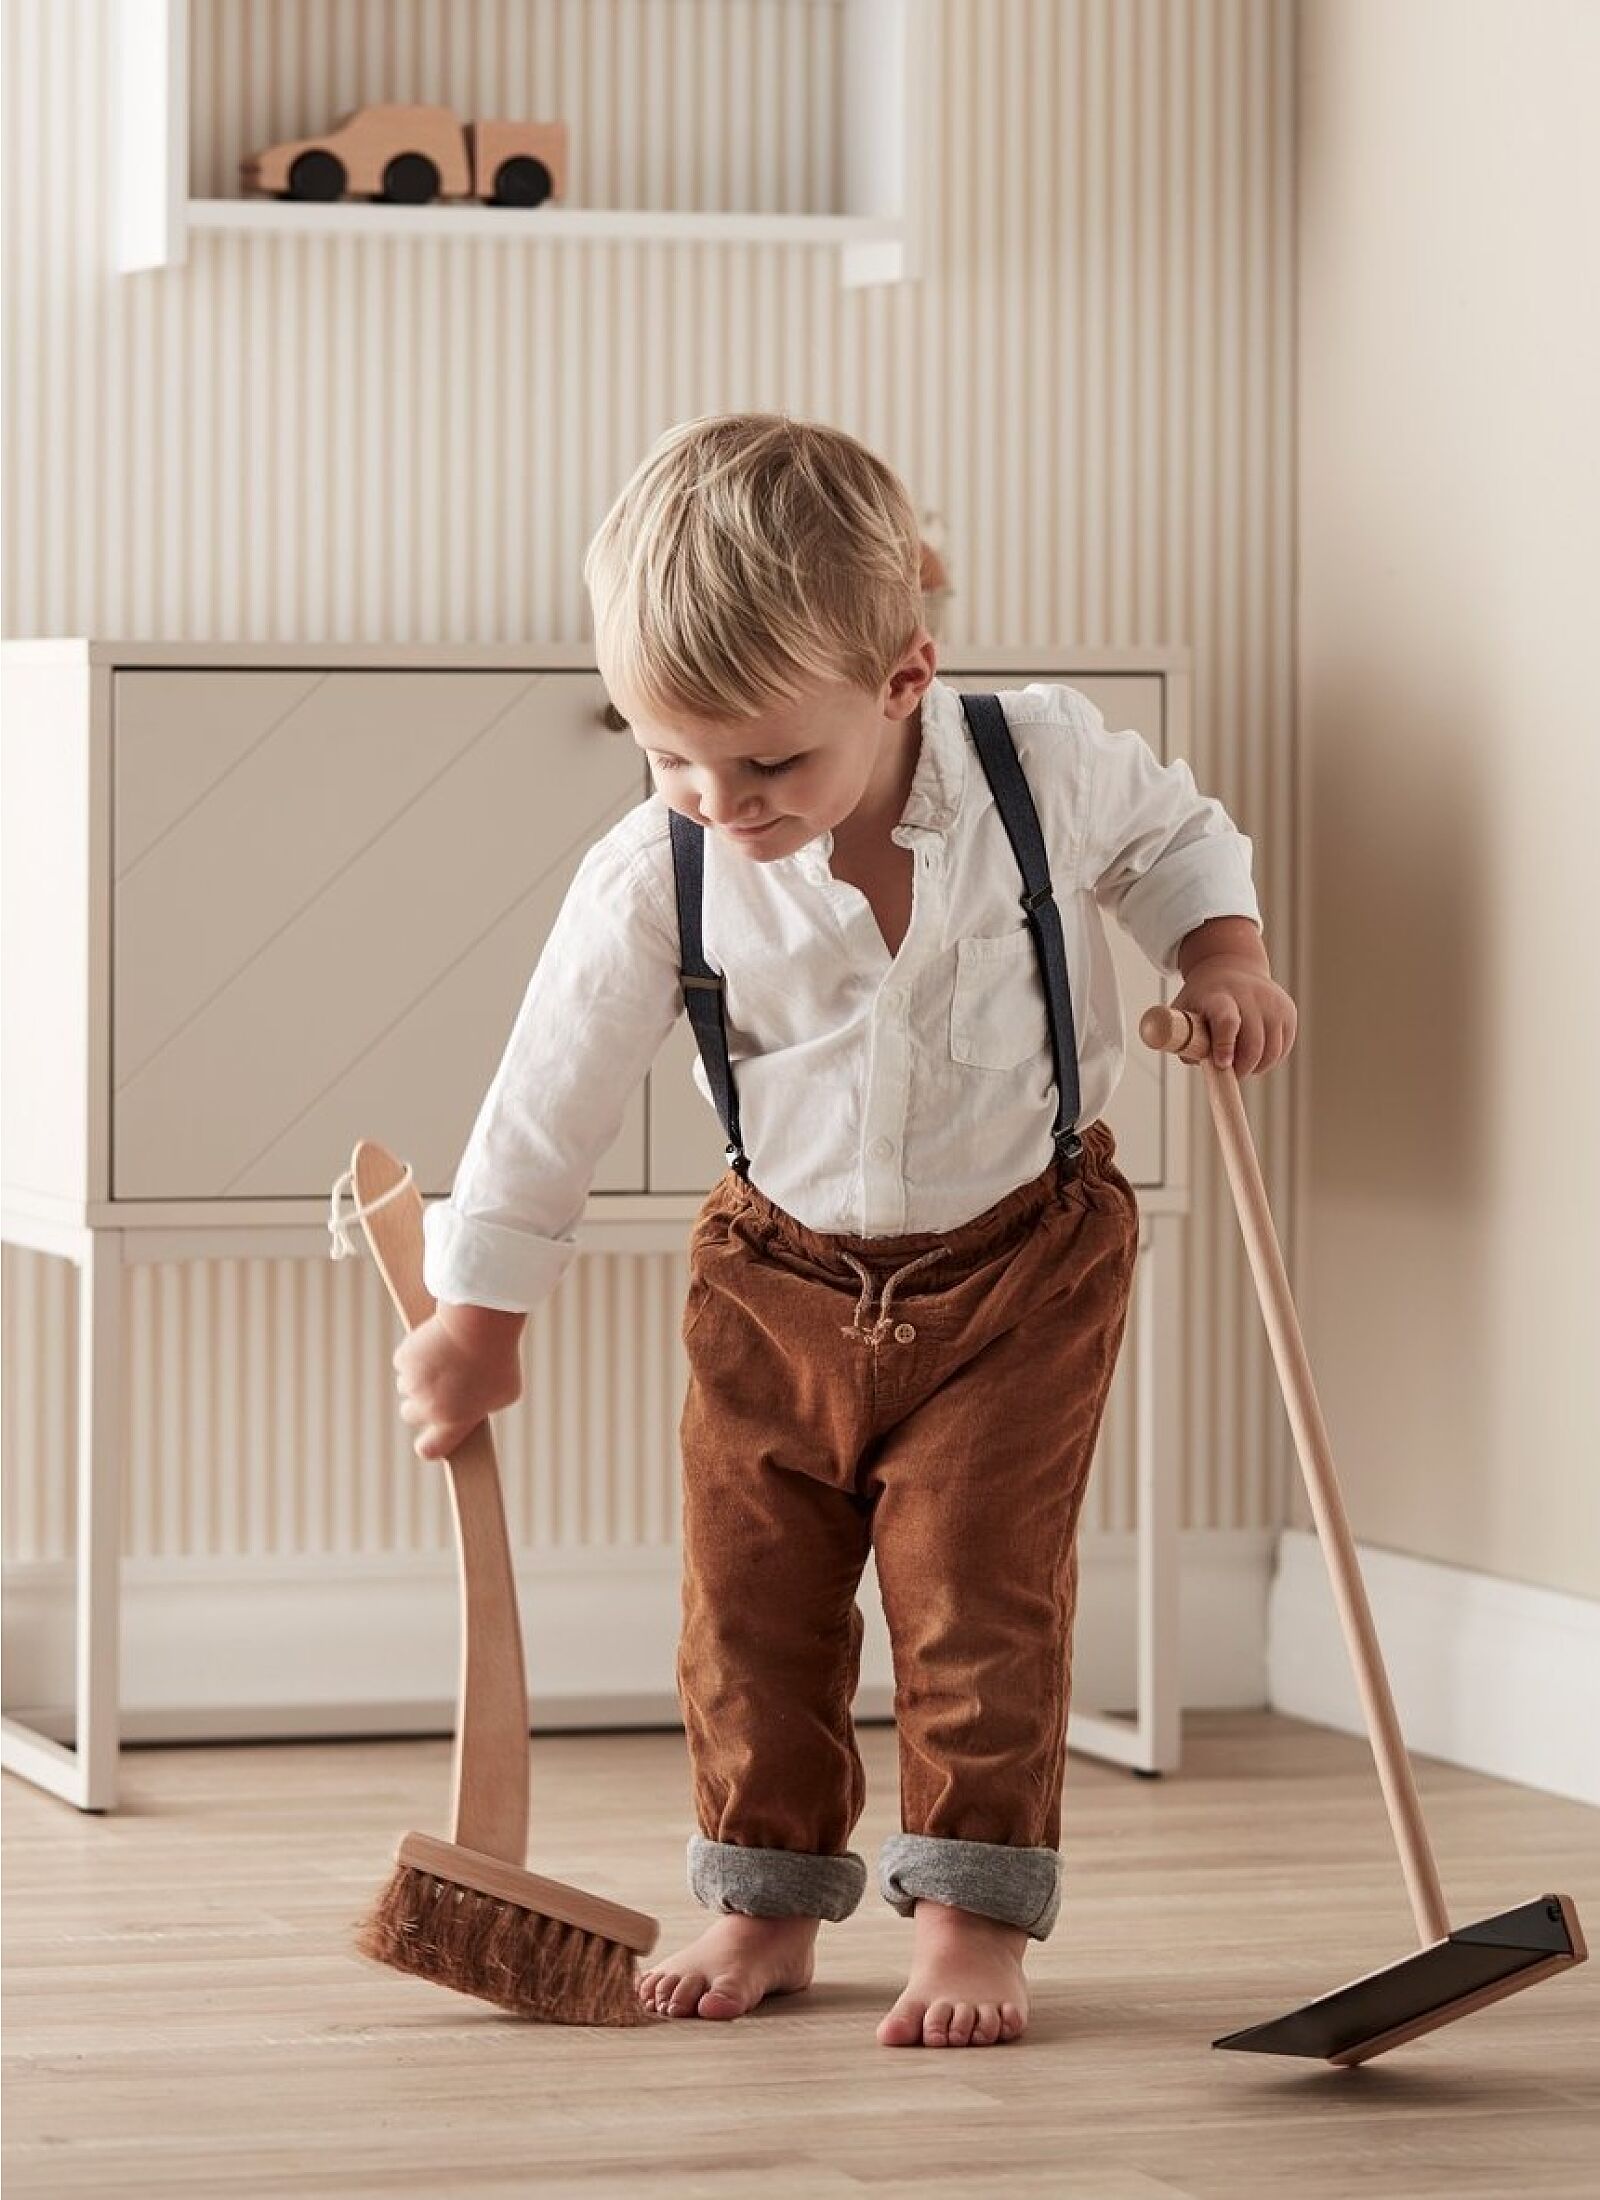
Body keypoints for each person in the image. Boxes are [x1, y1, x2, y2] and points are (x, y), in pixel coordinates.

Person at [398, 413, 1297, 2048]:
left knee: (979, 1600)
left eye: (765, 765)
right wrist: (482, 1317)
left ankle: (969, 1915)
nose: (718, 801)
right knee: (750, 1606)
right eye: (669, 757)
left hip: (1023, 1264)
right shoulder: (656, 867)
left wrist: (1218, 954)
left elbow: (1177, 839)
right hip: (776, 1276)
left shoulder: (1037, 763)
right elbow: (546, 1101)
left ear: (902, 681)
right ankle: (763, 1897)